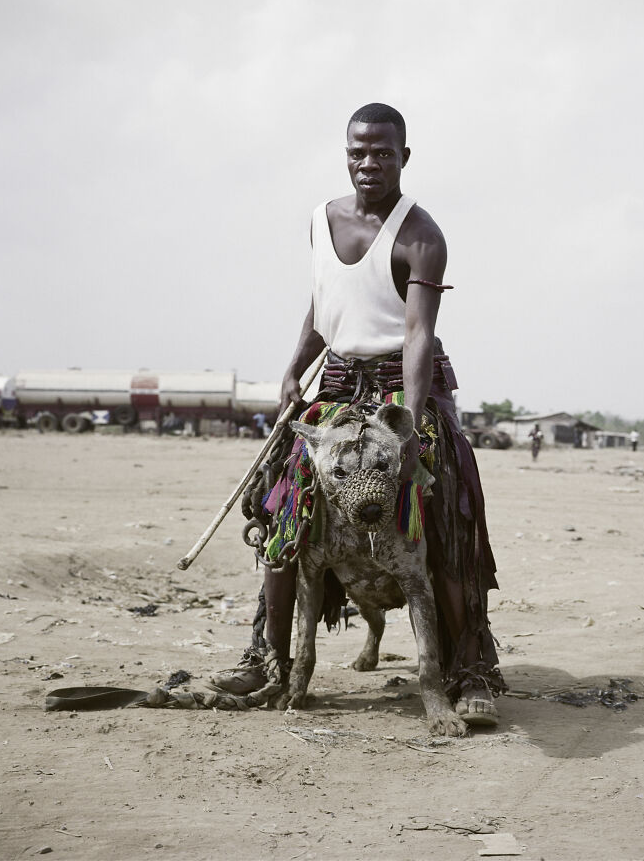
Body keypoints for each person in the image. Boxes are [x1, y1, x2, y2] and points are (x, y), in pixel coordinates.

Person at [210, 103, 505, 726]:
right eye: (357, 152)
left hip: (406, 384)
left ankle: (471, 669)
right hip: (338, 382)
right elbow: (326, 308)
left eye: (383, 153)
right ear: (345, 153)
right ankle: (268, 657)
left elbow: (420, 333)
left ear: (404, 156)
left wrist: (414, 418)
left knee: (445, 520)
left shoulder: (422, 235)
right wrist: (293, 368)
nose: (369, 163)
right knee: (285, 514)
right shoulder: (321, 220)